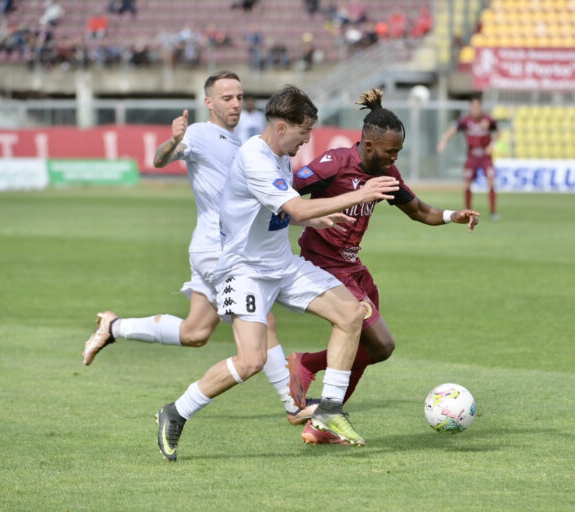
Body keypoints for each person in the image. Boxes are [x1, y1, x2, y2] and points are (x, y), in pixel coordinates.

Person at [155, 85, 401, 460]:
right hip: (244, 271)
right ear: (282, 127)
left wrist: (316, 221)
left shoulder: (280, 155)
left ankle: (330, 410)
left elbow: (280, 212)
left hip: (282, 265)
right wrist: (360, 194)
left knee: (351, 313)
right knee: (250, 361)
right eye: (304, 133)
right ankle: (176, 412)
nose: (306, 141)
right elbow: (296, 208)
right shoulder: (255, 157)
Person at [81, 72, 317, 428]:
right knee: (262, 319)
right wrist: (172, 142)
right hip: (217, 250)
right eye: (226, 98)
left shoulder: (245, 142)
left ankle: (114, 327)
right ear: (209, 102)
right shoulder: (199, 135)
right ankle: (293, 404)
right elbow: (161, 159)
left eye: (239, 97)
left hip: (225, 247)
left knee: (195, 332)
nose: (235, 104)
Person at [285, 88, 480, 444]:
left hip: (353, 267)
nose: (394, 158)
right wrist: (309, 218)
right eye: (391, 151)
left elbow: (418, 210)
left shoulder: (386, 174)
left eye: (398, 152)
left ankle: (320, 417)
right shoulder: (335, 163)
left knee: (375, 349)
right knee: (381, 342)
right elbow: (287, 192)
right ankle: (311, 377)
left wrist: (453, 215)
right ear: (369, 145)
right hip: (323, 266)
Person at [437, 97, 500, 221]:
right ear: (471, 108)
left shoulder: (488, 120)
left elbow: (498, 133)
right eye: (473, 107)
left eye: (477, 107)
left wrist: (492, 145)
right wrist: (443, 142)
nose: (475, 109)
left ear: (481, 107)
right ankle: (468, 212)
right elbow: (452, 130)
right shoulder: (466, 120)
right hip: (472, 156)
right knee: (467, 184)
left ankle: (493, 212)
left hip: (485, 157)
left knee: (491, 182)